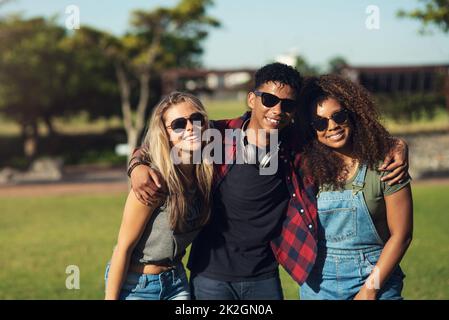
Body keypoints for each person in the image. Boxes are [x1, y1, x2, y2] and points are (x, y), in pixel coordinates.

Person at [127, 63, 409, 300]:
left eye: (287, 104)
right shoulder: (219, 136)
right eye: (269, 100)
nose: (277, 109)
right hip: (210, 275)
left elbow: (345, 135)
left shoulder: (296, 147)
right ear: (252, 99)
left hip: (264, 276)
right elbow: (165, 144)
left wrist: (394, 144)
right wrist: (138, 165)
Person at [297, 75, 413, 300]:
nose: (332, 126)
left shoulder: (387, 164)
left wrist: (371, 289)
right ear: (311, 129)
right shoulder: (306, 169)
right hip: (319, 286)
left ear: (354, 114)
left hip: (376, 279)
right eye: (320, 122)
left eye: (338, 116)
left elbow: (402, 236)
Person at [104, 92, 214, 300]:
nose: (191, 127)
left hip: (176, 281)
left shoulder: (205, 177)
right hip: (137, 285)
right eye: (179, 124)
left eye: (197, 119)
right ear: (166, 134)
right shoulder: (153, 182)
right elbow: (122, 249)